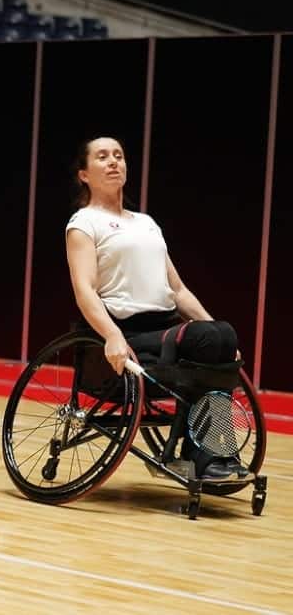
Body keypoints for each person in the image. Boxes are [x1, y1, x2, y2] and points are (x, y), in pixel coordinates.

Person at [65, 136, 247, 481]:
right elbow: (84, 290)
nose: (113, 162)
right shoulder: (83, 223)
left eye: (118, 155)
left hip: (165, 327)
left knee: (223, 334)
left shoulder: (146, 223)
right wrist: (112, 336)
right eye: (102, 157)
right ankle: (202, 454)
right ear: (84, 175)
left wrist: (225, 341)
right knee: (208, 338)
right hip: (128, 331)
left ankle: (214, 451)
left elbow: (177, 290)